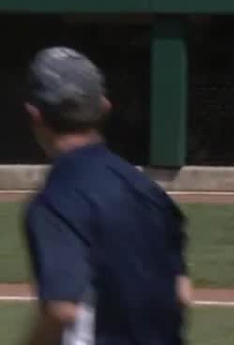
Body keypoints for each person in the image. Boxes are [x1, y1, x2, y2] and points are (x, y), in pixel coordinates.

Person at [20, 47, 191, 345]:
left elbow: (62, 310)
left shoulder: (56, 200)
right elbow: (181, 293)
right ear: (104, 107)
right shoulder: (149, 191)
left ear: (35, 115)